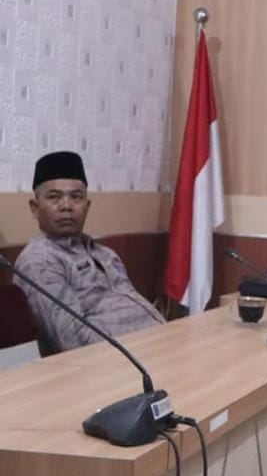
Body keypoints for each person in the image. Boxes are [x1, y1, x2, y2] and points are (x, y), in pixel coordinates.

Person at [14, 151, 165, 355]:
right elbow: (74, 342)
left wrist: (166, 336)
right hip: (118, 363)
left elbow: (138, 307)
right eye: (54, 197)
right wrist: (147, 348)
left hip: (158, 346)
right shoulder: (38, 261)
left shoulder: (106, 254)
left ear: (87, 206)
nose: (66, 206)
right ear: (35, 208)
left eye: (76, 197)